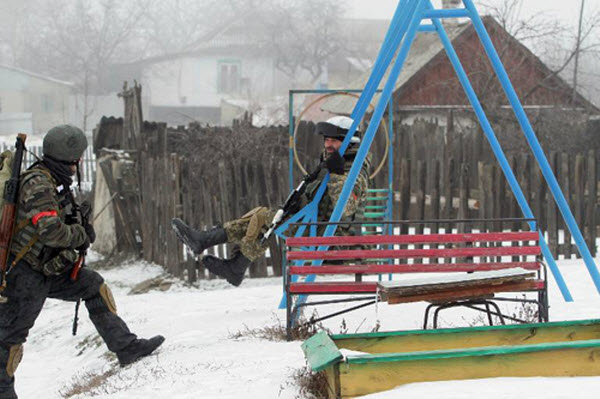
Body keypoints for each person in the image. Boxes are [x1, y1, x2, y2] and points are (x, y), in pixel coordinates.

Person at [0, 125, 164, 399]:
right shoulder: (38, 183)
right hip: (25, 275)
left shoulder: (54, 180)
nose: (78, 165)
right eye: (77, 160)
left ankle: (126, 347)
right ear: (71, 159)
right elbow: (50, 231)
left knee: (92, 285)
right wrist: (78, 234)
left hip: (47, 268)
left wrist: (79, 229)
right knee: (9, 338)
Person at [172, 116, 371, 287]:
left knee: (263, 218)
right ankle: (209, 245)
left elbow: (346, 208)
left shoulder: (355, 172)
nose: (328, 144)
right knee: (262, 215)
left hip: (328, 235)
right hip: (312, 225)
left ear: (349, 142)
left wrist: (336, 174)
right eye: (326, 140)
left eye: (334, 141)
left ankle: (233, 264)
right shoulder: (330, 164)